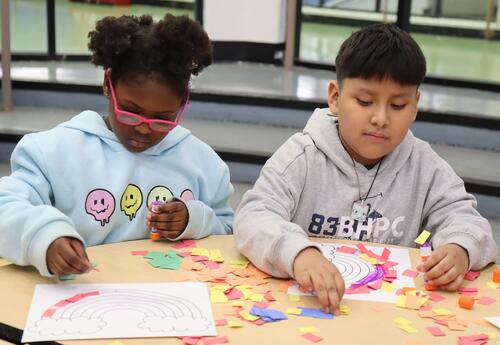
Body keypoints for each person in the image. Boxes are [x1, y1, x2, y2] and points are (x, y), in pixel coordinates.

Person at [234, 23, 498, 315]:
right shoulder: (302, 157)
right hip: (310, 310)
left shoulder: (425, 166)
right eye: (364, 101)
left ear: (415, 106)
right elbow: (254, 216)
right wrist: (299, 253)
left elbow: (467, 220)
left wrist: (460, 248)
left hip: (393, 317)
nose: (381, 118)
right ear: (335, 97)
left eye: (398, 105)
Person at [0, 14, 234, 277]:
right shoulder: (54, 152)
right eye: (130, 112)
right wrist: (42, 236)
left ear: (183, 104)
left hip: (169, 300)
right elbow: (5, 204)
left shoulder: (204, 164)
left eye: (162, 119)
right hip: (83, 296)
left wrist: (195, 219)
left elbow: (228, 229)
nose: (144, 128)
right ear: (107, 84)